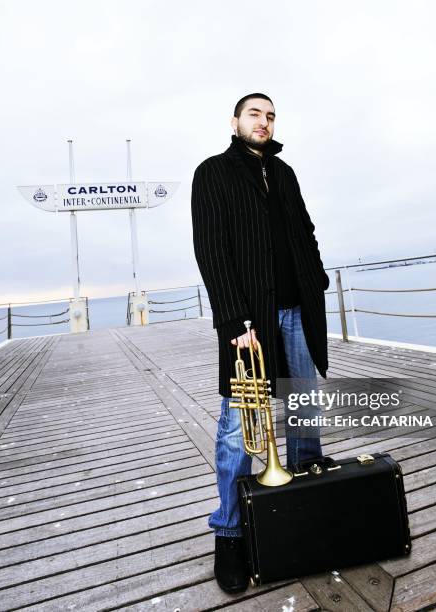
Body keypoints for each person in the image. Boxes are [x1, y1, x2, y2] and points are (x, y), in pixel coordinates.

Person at [191, 93, 330, 594]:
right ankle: (228, 532)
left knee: (304, 410)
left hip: (298, 312)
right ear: (235, 121)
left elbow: (305, 232)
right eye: (255, 113)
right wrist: (233, 319)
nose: (264, 121)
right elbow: (210, 249)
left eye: (271, 116)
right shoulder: (211, 172)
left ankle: (302, 502)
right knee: (236, 425)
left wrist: (316, 280)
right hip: (249, 320)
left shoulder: (285, 173)